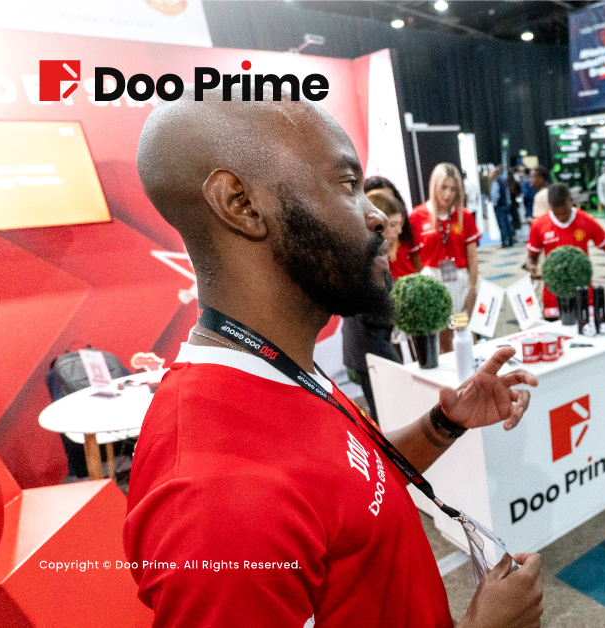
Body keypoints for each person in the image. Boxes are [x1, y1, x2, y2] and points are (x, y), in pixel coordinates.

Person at [128, 86, 544, 627]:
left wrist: (444, 423)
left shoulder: (275, 362)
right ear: (242, 205)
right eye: (348, 185)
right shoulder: (215, 503)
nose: (377, 217)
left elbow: (349, 490)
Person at [343, 190, 422, 415]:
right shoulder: (364, 256)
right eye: (394, 225)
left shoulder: (373, 251)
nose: (399, 231)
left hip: (372, 345)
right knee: (389, 416)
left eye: (400, 225)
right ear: (377, 223)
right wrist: (404, 310)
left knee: (393, 413)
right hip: (369, 346)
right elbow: (370, 308)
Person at [527, 183, 605, 318]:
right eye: (557, 214)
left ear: (571, 201)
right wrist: (532, 267)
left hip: (584, 296)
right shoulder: (539, 224)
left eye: (565, 212)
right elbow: (531, 257)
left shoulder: (586, 220)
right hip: (553, 299)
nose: (561, 217)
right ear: (550, 206)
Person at [410, 163, 482, 316]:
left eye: (453, 189)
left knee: (461, 325)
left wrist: (472, 289)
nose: (448, 194)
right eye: (443, 187)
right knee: (439, 328)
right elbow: (415, 259)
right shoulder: (417, 216)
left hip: (459, 279)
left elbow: (472, 257)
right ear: (434, 185)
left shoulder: (465, 216)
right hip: (431, 280)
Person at [489, 165, 514, 248]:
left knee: (502, 224)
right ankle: (510, 241)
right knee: (508, 223)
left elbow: (494, 195)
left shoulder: (496, 183)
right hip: (506, 205)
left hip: (499, 206)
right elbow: (507, 194)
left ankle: (504, 242)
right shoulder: (504, 181)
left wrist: (495, 204)